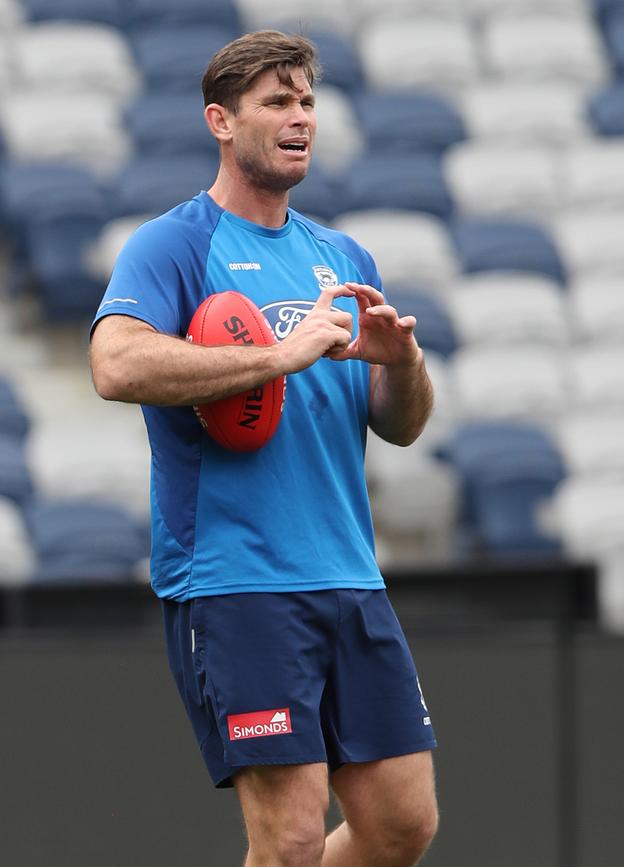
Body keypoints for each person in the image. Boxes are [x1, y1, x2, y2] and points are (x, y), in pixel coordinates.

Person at [90, 29, 438, 867]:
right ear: (221, 120)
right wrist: (274, 357)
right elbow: (114, 361)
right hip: (238, 579)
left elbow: (400, 424)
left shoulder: (341, 257)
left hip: (350, 575)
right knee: (286, 839)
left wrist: (405, 365)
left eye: (308, 102)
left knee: (403, 823)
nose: (301, 118)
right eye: (277, 102)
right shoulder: (174, 244)